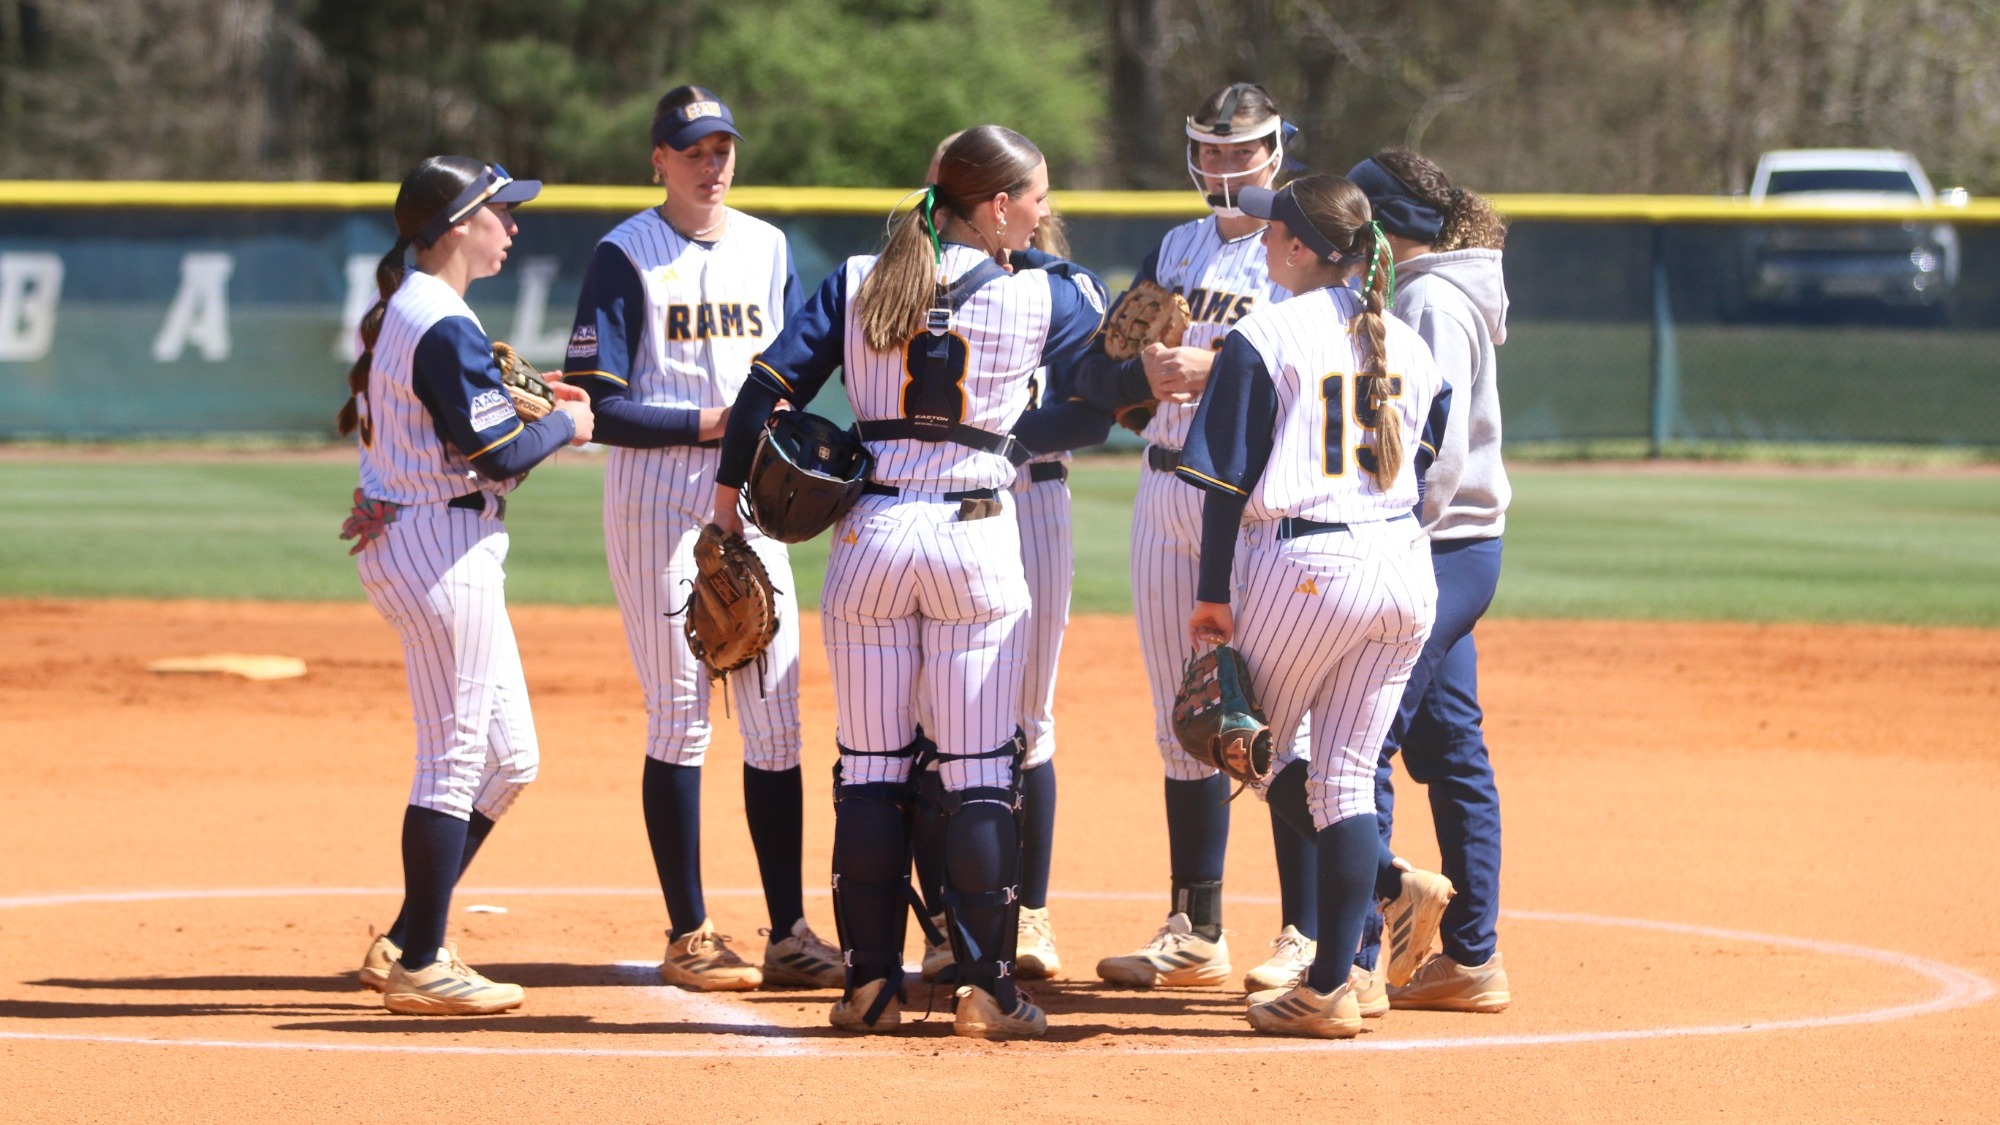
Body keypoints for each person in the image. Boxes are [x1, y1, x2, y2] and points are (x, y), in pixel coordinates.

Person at [711, 125, 1107, 1039]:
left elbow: (765, 386)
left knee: (871, 770)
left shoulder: (860, 276)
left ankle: (869, 986)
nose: (1045, 212)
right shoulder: (1041, 292)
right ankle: (987, 991)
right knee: (974, 773)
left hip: (872, 537)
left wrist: (726, 511)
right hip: (975, 537)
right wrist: (1073, 409)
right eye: (1037, 196)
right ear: (998, 206)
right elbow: (1099, 406)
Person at [560, 86, 840, 992]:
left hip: (754, 499)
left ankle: (789, 929)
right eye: (692, 150)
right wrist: (708, 422)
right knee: (680, 712)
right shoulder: (622, 254)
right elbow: (596, 405)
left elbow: (795, 377)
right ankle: (689, 932)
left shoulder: (768, 247)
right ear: (659, 161)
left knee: (776, 713)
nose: (711, 164)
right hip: (657, 501)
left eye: (721, 147)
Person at [1177, 175, 1452, 1038]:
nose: (1261, 246)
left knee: (1236, 741)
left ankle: (1382, 881)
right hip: (1405, 563)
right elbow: (1429, 451)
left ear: (1300, 246)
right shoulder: (1409, 342)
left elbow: (1223, 484)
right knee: (1341, 776)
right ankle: (1334, 980)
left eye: (1272, 236)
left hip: (1306, 566)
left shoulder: (1264, 334)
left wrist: (1212, 594)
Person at [1071, 83, 1321, 994]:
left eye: (1241, 150)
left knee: (1274, 714)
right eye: (1211, 151)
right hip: (1167, 488)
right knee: (1185, 714)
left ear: (1275, 151)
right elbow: (1111, 363)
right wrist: (1135, 370)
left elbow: (1314, 355)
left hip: (1253, 503)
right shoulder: (1176, 244)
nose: (1223, 167)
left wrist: (1213, 365)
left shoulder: (1294, 243)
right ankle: (1195, 925)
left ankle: (1302, 929)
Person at [340, 156, 595, 1015]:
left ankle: (409, 933)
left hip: (424, 534)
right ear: (457, 225)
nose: (512, 227)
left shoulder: (411, 308)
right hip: (441, 545)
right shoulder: (440, 321)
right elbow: (500, 455)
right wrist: (567, 421)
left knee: (510, 757)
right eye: (500, 213)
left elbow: (466, 429)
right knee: (452, 759)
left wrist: (529, 405)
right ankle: (420, 961)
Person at [908, 135, 1112, 985]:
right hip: (933, 506)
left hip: (1030, 502)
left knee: (1025, 718)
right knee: (926, 721)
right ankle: (942, 921)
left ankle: (1027, 911)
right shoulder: (909, 283)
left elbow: (1093, 417)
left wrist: (991, 437)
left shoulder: (1064, 289)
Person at [1347, 150, 1513, 1013]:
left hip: (1438, 545)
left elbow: (1436, 455)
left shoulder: (1426, 297)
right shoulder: (1437, 288)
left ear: (1382, 223)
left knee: (1361, 739)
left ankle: (1365, 950)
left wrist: (1392, 536)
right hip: (1459, 546)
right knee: (1449, 745)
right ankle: (1471, 956)